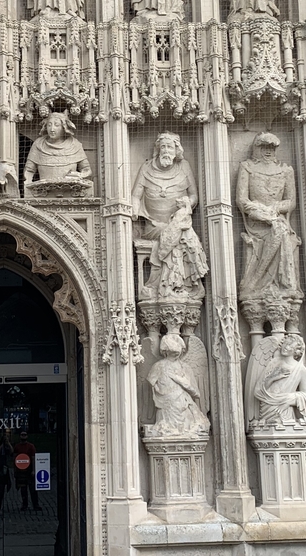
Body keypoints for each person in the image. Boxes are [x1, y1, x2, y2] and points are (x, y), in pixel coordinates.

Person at [131, 133, 208, 301]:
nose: (166, 150)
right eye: (163, 147)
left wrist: (188, 202)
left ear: (176, 150)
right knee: (180, 234)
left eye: (170, 147)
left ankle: (176, 287)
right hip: (153, 225)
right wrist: (134, 210)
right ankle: (173, 287)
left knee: (182, 233)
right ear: (158, 149)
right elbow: (135, 196)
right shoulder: (147, 168)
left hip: (178, 220)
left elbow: (194, 196)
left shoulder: (184, 167)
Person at [236, 132, 302, 304]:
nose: (268, 152)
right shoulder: (247, 167)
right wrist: (261, 213)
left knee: (280, 229)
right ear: (256, 149)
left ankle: (273, 283)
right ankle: (257, 282)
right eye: (264, 147)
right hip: (256, 220)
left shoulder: (285, 170)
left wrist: (275, 208)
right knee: (277, 228)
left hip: (277, 218)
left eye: (272, 148)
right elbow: (242, 200)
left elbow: (291, 201)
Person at [144, 333, 209, 438]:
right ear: (165, 351)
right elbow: (151, 383)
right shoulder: (159, 366)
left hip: (184, 406)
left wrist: (184, 383)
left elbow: (196, 393)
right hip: (167, 408)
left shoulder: (185, 367)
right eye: (172, 350)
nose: (176, 352)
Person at [252, 334, 306, 428]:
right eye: (285, 344)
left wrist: (288, 401)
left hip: (285, 407)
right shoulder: (273, 363)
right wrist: (273, 378)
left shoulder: (300, 369)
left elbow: (305, 395)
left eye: (290, 346)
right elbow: (258, 390)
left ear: (296, 351)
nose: (286, 347)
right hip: (267, 405)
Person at [23, 112, 92, 185]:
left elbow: (86, 169)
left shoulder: (74, 144)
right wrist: (28, 182)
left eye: (56, 125)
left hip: (70, 191)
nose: (52, 129)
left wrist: (80, 175)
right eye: (49, 125)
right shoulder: (38, 144)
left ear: (64, 127)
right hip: (43, 191)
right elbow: (29, 170)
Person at [13, 430, 40, 511]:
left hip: (29, 470)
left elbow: (33, 458)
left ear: (27, 436)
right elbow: (15, 459)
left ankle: (35, 504)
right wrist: (15, 470)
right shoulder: (17, 447)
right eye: (22, 434)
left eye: (25, 434)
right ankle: (25, 505)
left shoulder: (31, 446)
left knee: (32, 489)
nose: (23, 436)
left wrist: (33, 470)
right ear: (20, 436)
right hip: (20, 471)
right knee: (23, 489)